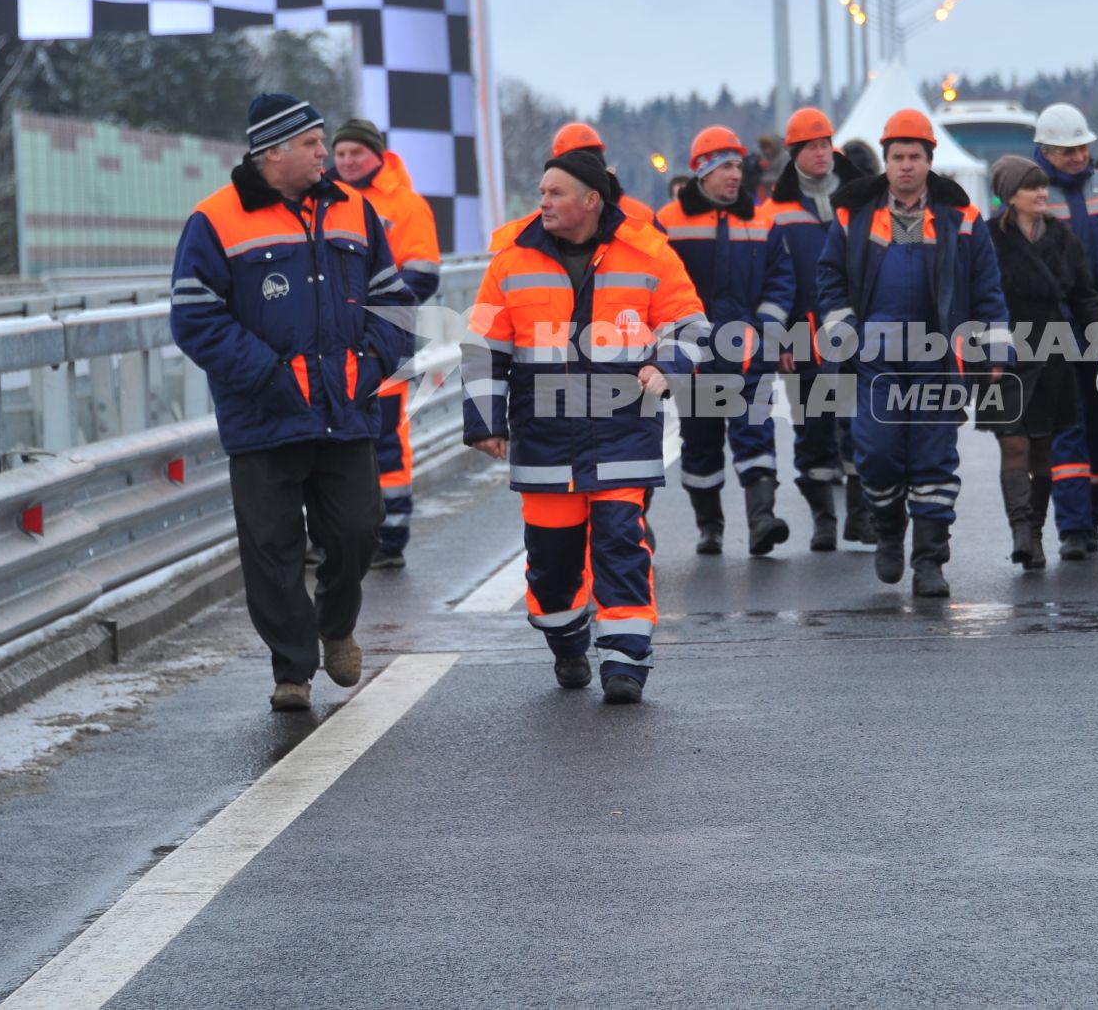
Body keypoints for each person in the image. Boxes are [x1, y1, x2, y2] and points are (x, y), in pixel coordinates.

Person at [170, 94, 413, 711]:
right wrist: (270, 377)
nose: (323, 154)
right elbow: (195, 318)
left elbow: (395, 300)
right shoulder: (215, 220)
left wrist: (375, 363)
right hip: (263, 415)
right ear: (272, 152)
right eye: (311, 144)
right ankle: (293, 668)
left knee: (359, 530)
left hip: (346, 408)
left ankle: (336, 625)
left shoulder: (355, 210)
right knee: (272, 550)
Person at [460, 138, 708, 705]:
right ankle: (567, 638)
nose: (542, 201)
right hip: (544, 439)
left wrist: (667, 366)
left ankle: (625, 661)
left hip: (624, 429)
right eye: (541, 191)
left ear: (592, 200)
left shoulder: (647, 252)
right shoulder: (511, 260)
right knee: (552, 566)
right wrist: (484, 420)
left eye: (555, 192)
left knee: (622, 545)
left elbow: (690, 325)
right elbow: (484, 348)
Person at [816, 108, 1012, 597]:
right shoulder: (855, 215)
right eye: (897, 157)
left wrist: (995, 353)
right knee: (878, 455)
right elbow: (830, 278)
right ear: (885, 161)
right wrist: (847, 333)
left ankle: (929, 561)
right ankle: (888, 532)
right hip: (876, 357)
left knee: (933, 459)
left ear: (930, 160)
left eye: (915, 157)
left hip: (939, 356)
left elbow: (987, 288)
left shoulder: (959, 218)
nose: (906, 165)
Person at [658, 125, 798, 556]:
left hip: (746, 354)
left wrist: (765, 331)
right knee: (700, 444)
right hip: (694, 356)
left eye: (738, 165)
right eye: (725, 167)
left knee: (755, 434)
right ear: (702, 172)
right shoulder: (667, 223)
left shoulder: (763, 222)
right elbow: (656, 286)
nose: (735, 174)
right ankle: (710, 527)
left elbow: (781, 282)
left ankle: (762, 522)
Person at [981, 156, 1098, 569]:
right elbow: (973, 296)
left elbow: (1084, 296)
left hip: (1052, 351)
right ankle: (1021, 531)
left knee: (1042, 450)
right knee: (1013, 442)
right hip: (1003, 351)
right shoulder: (986, 240)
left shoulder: (1062, 238)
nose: (1041, 193)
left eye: (1042, 186)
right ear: (1009, 195)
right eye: (1031, 186)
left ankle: (1034, 531)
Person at [330, 118, 442, 569]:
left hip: (383, 343)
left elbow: (423, 275)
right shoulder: (322, 200)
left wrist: (365, 309)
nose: (347, 161)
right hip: (331, 346)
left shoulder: (407, 205)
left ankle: (390, 537)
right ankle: (336, 536)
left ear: (377, 154)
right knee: (332, 441)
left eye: (356, 153)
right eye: (339, 154)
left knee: (386, 441)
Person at [1028, 102, 1098, 560]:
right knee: (1065, 430)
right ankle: (1072, 527)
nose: (1077, 157)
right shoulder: (1026, 195)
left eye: (1082, 148)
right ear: (1045, 151)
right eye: (1066, 151)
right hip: (1052, 333)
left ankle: (1092, 514)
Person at [760, 107, 868, 550]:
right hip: (803, 335)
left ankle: (861, 518)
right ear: (795, 154)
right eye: (812, 147)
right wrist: (783, 334)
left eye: (826, 144)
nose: (822, 153)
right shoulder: (775, 210)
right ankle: (824, 519)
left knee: (860, 424)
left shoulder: (860, 198)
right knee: (812, 428)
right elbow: (774, 275)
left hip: (856, 330)